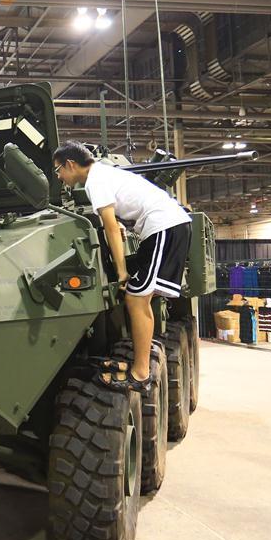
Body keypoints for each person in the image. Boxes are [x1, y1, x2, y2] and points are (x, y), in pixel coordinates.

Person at [53, 141, 192, 390]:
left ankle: (140, 374)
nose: (60, 177)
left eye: (59, 170)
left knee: (137, 298)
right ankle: (140, 367)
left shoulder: (95, 181)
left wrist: (121, 270)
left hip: (164, 226)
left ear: (71, 164)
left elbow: (110, 228)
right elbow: (116, 224)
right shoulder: (103, 174)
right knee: (138, 296)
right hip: (162, 226)